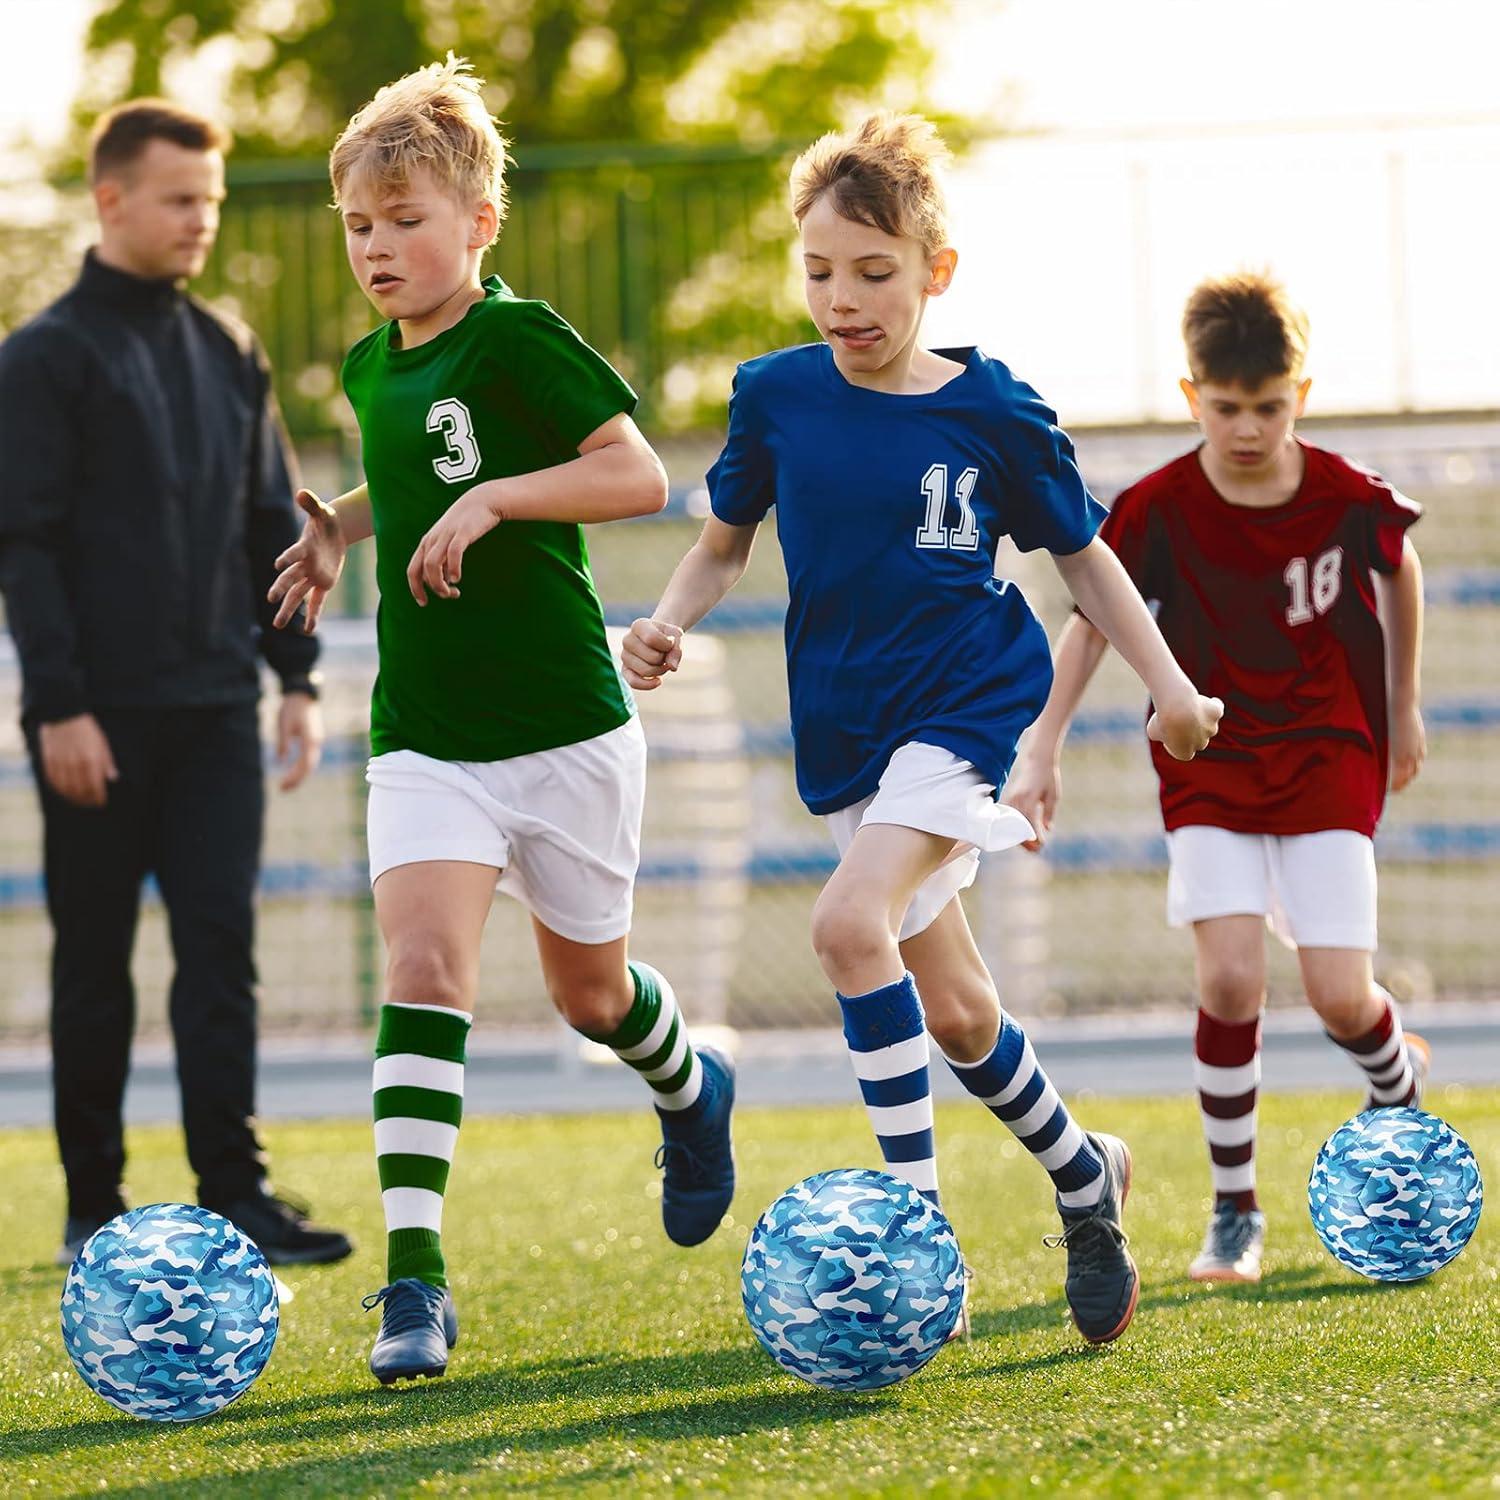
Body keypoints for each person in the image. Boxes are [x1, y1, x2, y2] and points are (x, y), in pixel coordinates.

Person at [622, 113, 1222, 1346]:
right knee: (953, 1010)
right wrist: (670, 619)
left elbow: (1088, 563)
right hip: (846, 724)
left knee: (846, 926)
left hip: (965, 703)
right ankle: (1083, 1171)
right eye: (820, 272)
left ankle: (915, 1236)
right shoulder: (776, 397)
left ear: (934, 273)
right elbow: (722, 544)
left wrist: (1169, 686)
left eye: (874, 273)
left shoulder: (996, 409)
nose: (842, 299)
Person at [267, 57, 736, 1385]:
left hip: (567, 729)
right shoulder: (368, 366)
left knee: (592, 997)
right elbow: (419, 475)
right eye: (360, 224)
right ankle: (414, 1286)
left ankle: (692, 1092)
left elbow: (637, 475)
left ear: (477, 224)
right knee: (423, 978)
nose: (377, 246)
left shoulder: (518, 337)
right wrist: (340, 526)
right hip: (425, 736)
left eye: (405, 218)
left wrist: (497, 503)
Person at [1003, 271, 1429, 1285]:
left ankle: (1395, 1077)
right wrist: (1043, 743)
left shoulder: (1341, 494)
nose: (1248, 428)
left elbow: (1397, 567)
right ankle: (1234, 1209)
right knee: (1232, 977)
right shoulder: (1157, 508)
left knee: (1337, 996)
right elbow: (1093, 617)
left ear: (1303, 396)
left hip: (1329, 749)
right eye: (1227, 407)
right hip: (1209, 759)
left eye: (1270, 407)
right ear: (1192, 395)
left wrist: (1401, 705)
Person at [0, 101, 351, 1267]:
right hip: (94, 720)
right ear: (112, 200)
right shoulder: (42, 359)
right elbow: (27, 543)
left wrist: (293, 678)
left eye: (213, 199)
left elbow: (271, 522)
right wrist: (56, 705)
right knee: (93, 964)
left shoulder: (230, 348)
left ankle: (234, 1194)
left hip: (214, 712)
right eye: (180, 199)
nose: (202, 220)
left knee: (220, 956)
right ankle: (92, 1205)